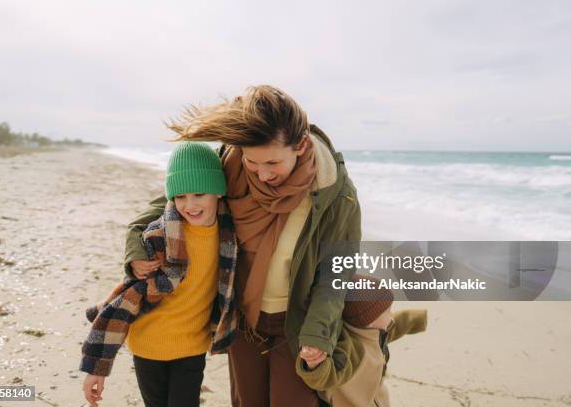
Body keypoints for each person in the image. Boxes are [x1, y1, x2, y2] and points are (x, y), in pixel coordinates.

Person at [124, 85, 362, 406]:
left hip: (296, 321)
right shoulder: (229, 166)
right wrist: (135, 248)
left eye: (273, 164)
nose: (262, 175)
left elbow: (336, 271)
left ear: (301, 145)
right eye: (253, 162)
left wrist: (319, 333)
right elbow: (170, 204)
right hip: (241, 318)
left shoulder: (334, 192)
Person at [79, 142, 238, 407]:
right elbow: (126, 301)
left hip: (192, 346)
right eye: (180, 197)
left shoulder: (229, 237)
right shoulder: (158, 238)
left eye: (199, 194)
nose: (190, 205)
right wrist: (97, 367)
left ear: (218, 192)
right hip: (148, 345)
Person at [296, 275, 428, 407]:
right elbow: (326, 376)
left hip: (376, 399)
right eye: (387, 311)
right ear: (369, 319)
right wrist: (314, 363)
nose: (391, 315)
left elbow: (394, 326)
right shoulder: (351, 350)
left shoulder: (372, 331)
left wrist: (418, 318)